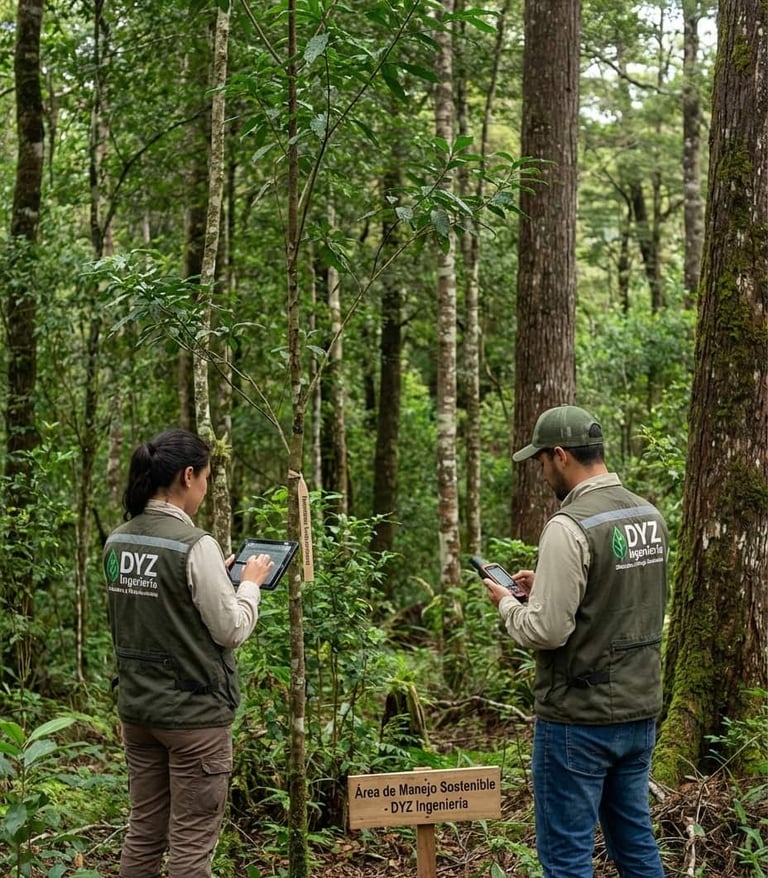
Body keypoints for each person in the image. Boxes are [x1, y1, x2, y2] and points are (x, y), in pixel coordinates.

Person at [484, 405, 668, 878]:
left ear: (560, 455)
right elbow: (619, 598)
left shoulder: (569, 526)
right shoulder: (646, 514)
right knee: (635, 843)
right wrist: (544, 587)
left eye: (541, 462)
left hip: (578, 720)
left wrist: (508, 603)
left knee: (566, 859)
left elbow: (546, 631)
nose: (542, 473)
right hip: (639, 709)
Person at [103, 428, 274, 878]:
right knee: (191, 846)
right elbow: (231, 629)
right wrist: (249, 585)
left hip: (138, 711)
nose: (204, 490)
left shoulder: (117, 540)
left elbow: (146, 609)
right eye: (206, 479)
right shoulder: (195, 544)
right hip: (193, 717)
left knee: (143, 832)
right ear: (188, 475)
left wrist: (213, 579)